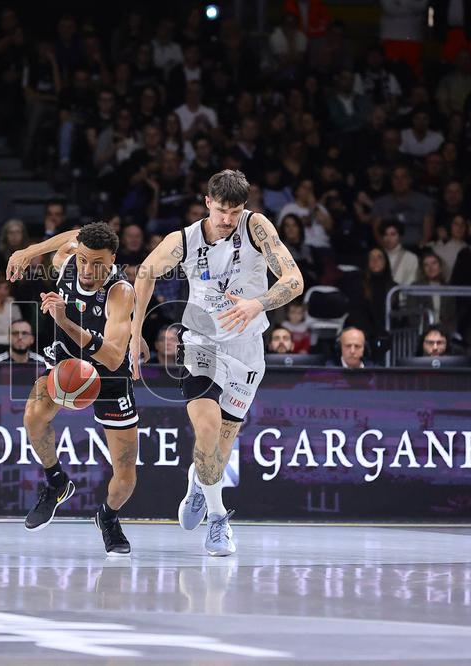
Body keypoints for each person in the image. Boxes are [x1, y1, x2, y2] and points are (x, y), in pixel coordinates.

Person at [130, 170, 304, 556]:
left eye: (235, 210)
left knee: (220, 449)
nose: (227, 219)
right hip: (201, 343)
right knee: (206, 430)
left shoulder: (256, 227)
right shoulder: (185, 239)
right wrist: (135, 332)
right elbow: (144, 272)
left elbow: (294, 279)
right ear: (207, 201)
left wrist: (257, 303)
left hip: (247, 348)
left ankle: (199, 483)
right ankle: (218, 517)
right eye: (221, 209)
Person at [6, 222, 139, 556]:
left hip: (110, 378)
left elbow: (111, 357)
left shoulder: (120, 291)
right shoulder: (67, 261)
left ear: (113, 260)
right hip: (67, 363)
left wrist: (64, 321)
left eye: (99, 263)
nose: (89, 269)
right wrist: (28, 251)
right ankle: (56, 482)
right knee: (33, 416)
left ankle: (107, 517)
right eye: (84, 260)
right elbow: (71, 236)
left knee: (125, 479)